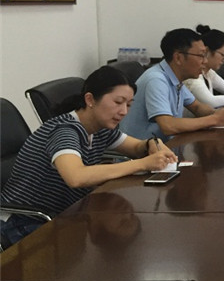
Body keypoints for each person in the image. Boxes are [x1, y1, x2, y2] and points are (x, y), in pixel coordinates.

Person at [1, 66, 177, 246]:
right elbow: (76, 177)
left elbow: (136, 147)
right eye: (118, 102)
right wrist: (142, 164)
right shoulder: (64, 131)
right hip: (24, 221)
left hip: (62, 215)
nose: (124, 111)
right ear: (90, 99)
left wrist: (151, 144)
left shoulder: (100, 127)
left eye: (129, 104)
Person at [120, 28, 224, 141]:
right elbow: (168, 126)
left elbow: (197, 107)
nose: (205, 61)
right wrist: (215, 119)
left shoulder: (175, 78)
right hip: (141, 151)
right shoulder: (156, 80)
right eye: (201, 56)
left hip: (165, 146)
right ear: (178, 58)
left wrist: (220, 114)